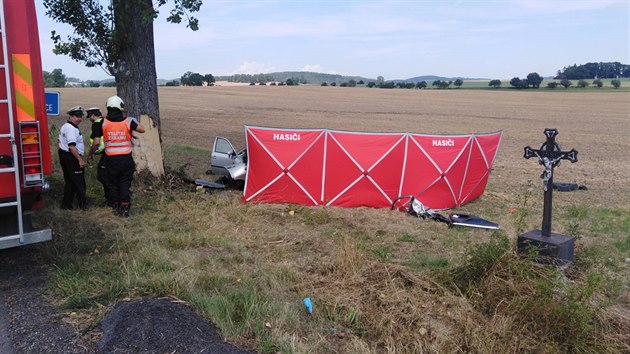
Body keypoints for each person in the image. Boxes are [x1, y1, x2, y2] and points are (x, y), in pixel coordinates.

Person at [92, 96, 145, 217]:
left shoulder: (101, 123)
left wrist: (91, 154)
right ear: (121, 107)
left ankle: (116, 205)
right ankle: (125, 207)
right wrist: (132, 121)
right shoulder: (128, 121)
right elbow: (142, 129)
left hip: (111, 160)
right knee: (125, 182)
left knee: (113, 183)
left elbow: (96, 142)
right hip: (126, 159)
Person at [58, 106, 87, 209]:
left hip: (65, 155)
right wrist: (80, 160)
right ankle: (83, 206)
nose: (79, 118)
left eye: (80, 116)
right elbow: (71, 146)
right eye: (77, 116)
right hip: (71, 157)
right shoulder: (70, 128)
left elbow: (59, 141)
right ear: (70, 116)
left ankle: (66, 205)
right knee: (79, 182)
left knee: (70, 181)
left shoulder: (66, 126)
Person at [85, 107, 112, 206]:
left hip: (106, 154)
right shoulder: (106, 121)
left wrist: (90, 155)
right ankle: (112, 199)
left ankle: (111, 199)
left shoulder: (96, 124)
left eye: (89, 116)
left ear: (92, 115)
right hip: (113, 152)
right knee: (109, 176)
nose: (89, 119)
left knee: (102, 176)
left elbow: (96, 142)